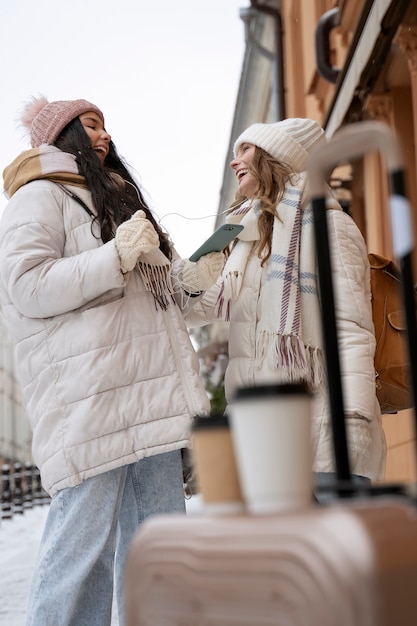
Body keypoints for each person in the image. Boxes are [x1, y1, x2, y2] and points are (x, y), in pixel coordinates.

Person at [0, 96, 225, 626]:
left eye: (105, 128)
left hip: (151, 396)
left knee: (161, 547)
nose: (104, 137)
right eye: (92, 126)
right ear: (63, 136)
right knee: (82, 553)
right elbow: (26, 287)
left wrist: (190, 280)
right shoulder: (39, 197)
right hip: (91, 399)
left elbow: (155, 302)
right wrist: (114, 255)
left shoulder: (118, 201)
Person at [187, 118, 387, 494]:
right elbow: (195, 308)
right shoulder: (244, 241)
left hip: (322, 429)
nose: (235, 161)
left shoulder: (330, 227)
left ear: (276, 156)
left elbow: (351, 331)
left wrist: (353, 423)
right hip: (258, 433)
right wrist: (177, 268)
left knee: (330, 552)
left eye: (246, 150)